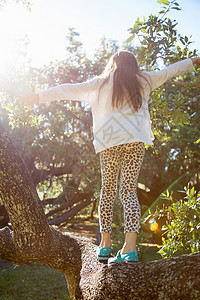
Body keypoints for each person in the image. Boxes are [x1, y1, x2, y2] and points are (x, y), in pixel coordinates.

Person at [20, 52, 200, 264]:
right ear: (133, 64)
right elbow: (170, 70)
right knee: (129, 192)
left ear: (113, 64)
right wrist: (194, 61)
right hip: (135, 142)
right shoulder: (144, 80)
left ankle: (104, 246)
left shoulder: (100, 83)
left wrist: (38, 96)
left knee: (108, 191)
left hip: (109, 144)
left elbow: (68, 89)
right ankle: (130, 248)